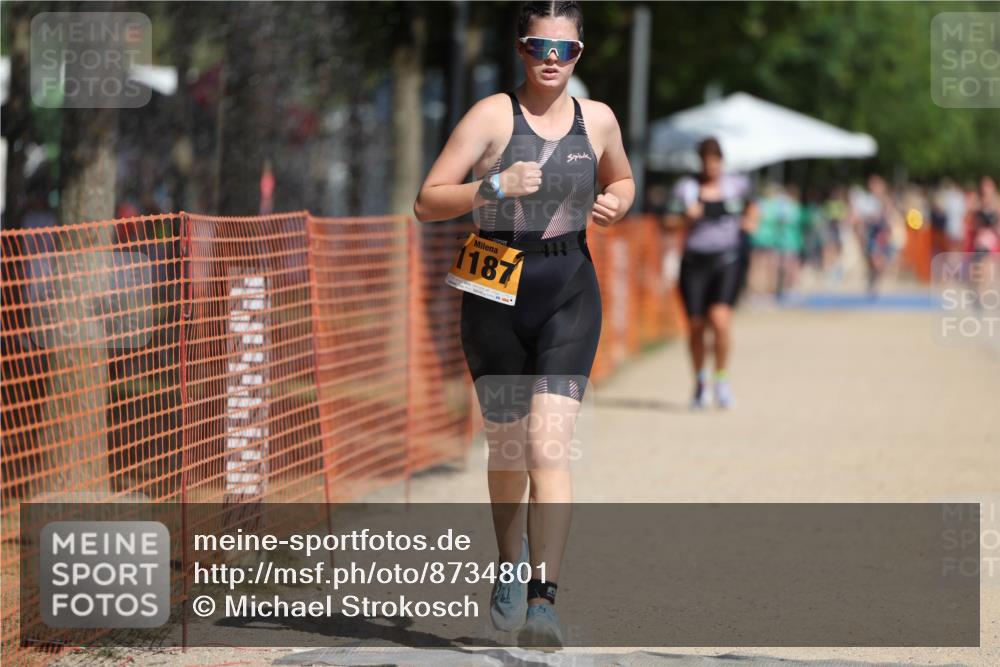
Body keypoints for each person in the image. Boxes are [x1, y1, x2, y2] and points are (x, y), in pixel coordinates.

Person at [414, 0, 633, 648]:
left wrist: (618, 198)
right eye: (539, 47)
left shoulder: (597, 120)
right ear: (520, 49)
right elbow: (427, 201)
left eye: (562, 50)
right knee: (508, 449)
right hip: (493, 292)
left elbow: (622, 174)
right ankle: (509, 560)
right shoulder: (490, 117)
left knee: (547, 445)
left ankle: (544, 597)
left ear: (578, 56)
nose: (550, 60)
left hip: (568, 287)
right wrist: (494, 186)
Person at [674, 138, 757, 409]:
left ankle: (721, 379)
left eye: (716, 161)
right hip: (694, 262)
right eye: (707, 162)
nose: (712, 167)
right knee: (696, 326)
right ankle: (700, 382)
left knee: (720, 321)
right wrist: (688, 216)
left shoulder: (736, 185)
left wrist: (750, 222)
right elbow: (668, 221)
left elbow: (752, 206)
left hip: (727, 260)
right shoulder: (687, 187)